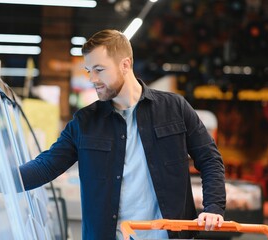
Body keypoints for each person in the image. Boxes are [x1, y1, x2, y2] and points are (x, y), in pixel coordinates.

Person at [20, 29, 226, 240]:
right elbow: (46, 166)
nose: (92, 78)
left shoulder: (174, 108)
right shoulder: (85, 122)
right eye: (89, 70)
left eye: (99, 69)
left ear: (125, 64)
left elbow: (209, 159)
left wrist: (213, 207)